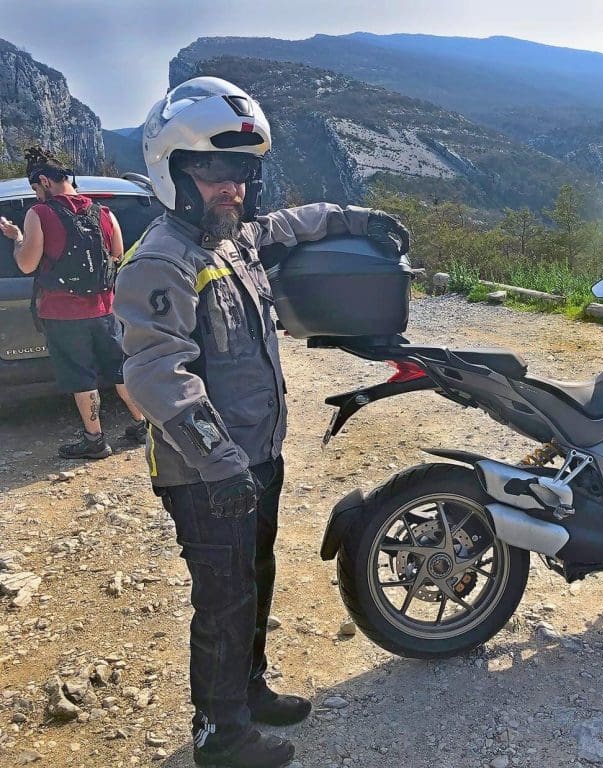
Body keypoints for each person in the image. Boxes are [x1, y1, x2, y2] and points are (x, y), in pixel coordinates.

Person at [113, 77, 410, 768]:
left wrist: (356, 218)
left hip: (255, 458)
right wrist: (221, 464)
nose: (233, 188)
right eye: (215, 170)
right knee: (222, 598)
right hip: (206, 471)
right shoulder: (162, 259)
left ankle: (247, 690)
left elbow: (290, 225)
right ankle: (220, 734)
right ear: (174, 171)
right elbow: (157, 374)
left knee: (255, 576)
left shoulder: (233, 239)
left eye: (243, 172)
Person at [0, 146, 147, 458]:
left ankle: (95, 440)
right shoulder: (105, 214)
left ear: (44, 181)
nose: (36, 195)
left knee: (81, 376)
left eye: (35, 189)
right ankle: (142, 424)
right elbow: (117, 256)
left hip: (63, 313)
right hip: (105, 309)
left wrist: (17, 239)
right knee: (119, 368)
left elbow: (27, 264)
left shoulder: (39, 213)